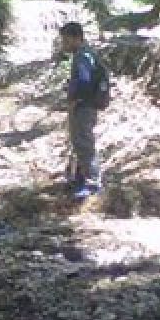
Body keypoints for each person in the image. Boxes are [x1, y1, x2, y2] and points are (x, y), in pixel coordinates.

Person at [58, 21, 102, 200]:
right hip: (87, 105)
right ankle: (80, 177)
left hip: (83, 106)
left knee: (84, 142)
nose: (64, 45)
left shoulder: (83, 56)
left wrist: (75, 99)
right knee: (79, 141)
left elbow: (84, 82)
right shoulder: (87, 54)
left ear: (77, 38)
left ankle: (92, 184)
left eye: (66, 41)